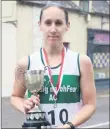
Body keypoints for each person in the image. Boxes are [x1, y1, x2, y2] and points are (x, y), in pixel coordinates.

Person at [11, 2, 96, 128]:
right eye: (48, 22)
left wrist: (68, 125)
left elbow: (90, 104)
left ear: (67, 26)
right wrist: (24, 105)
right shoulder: (26, 63)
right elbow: (15, 97)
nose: (53, 29)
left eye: (59, 23)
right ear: (40, 25)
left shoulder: (82, 62)